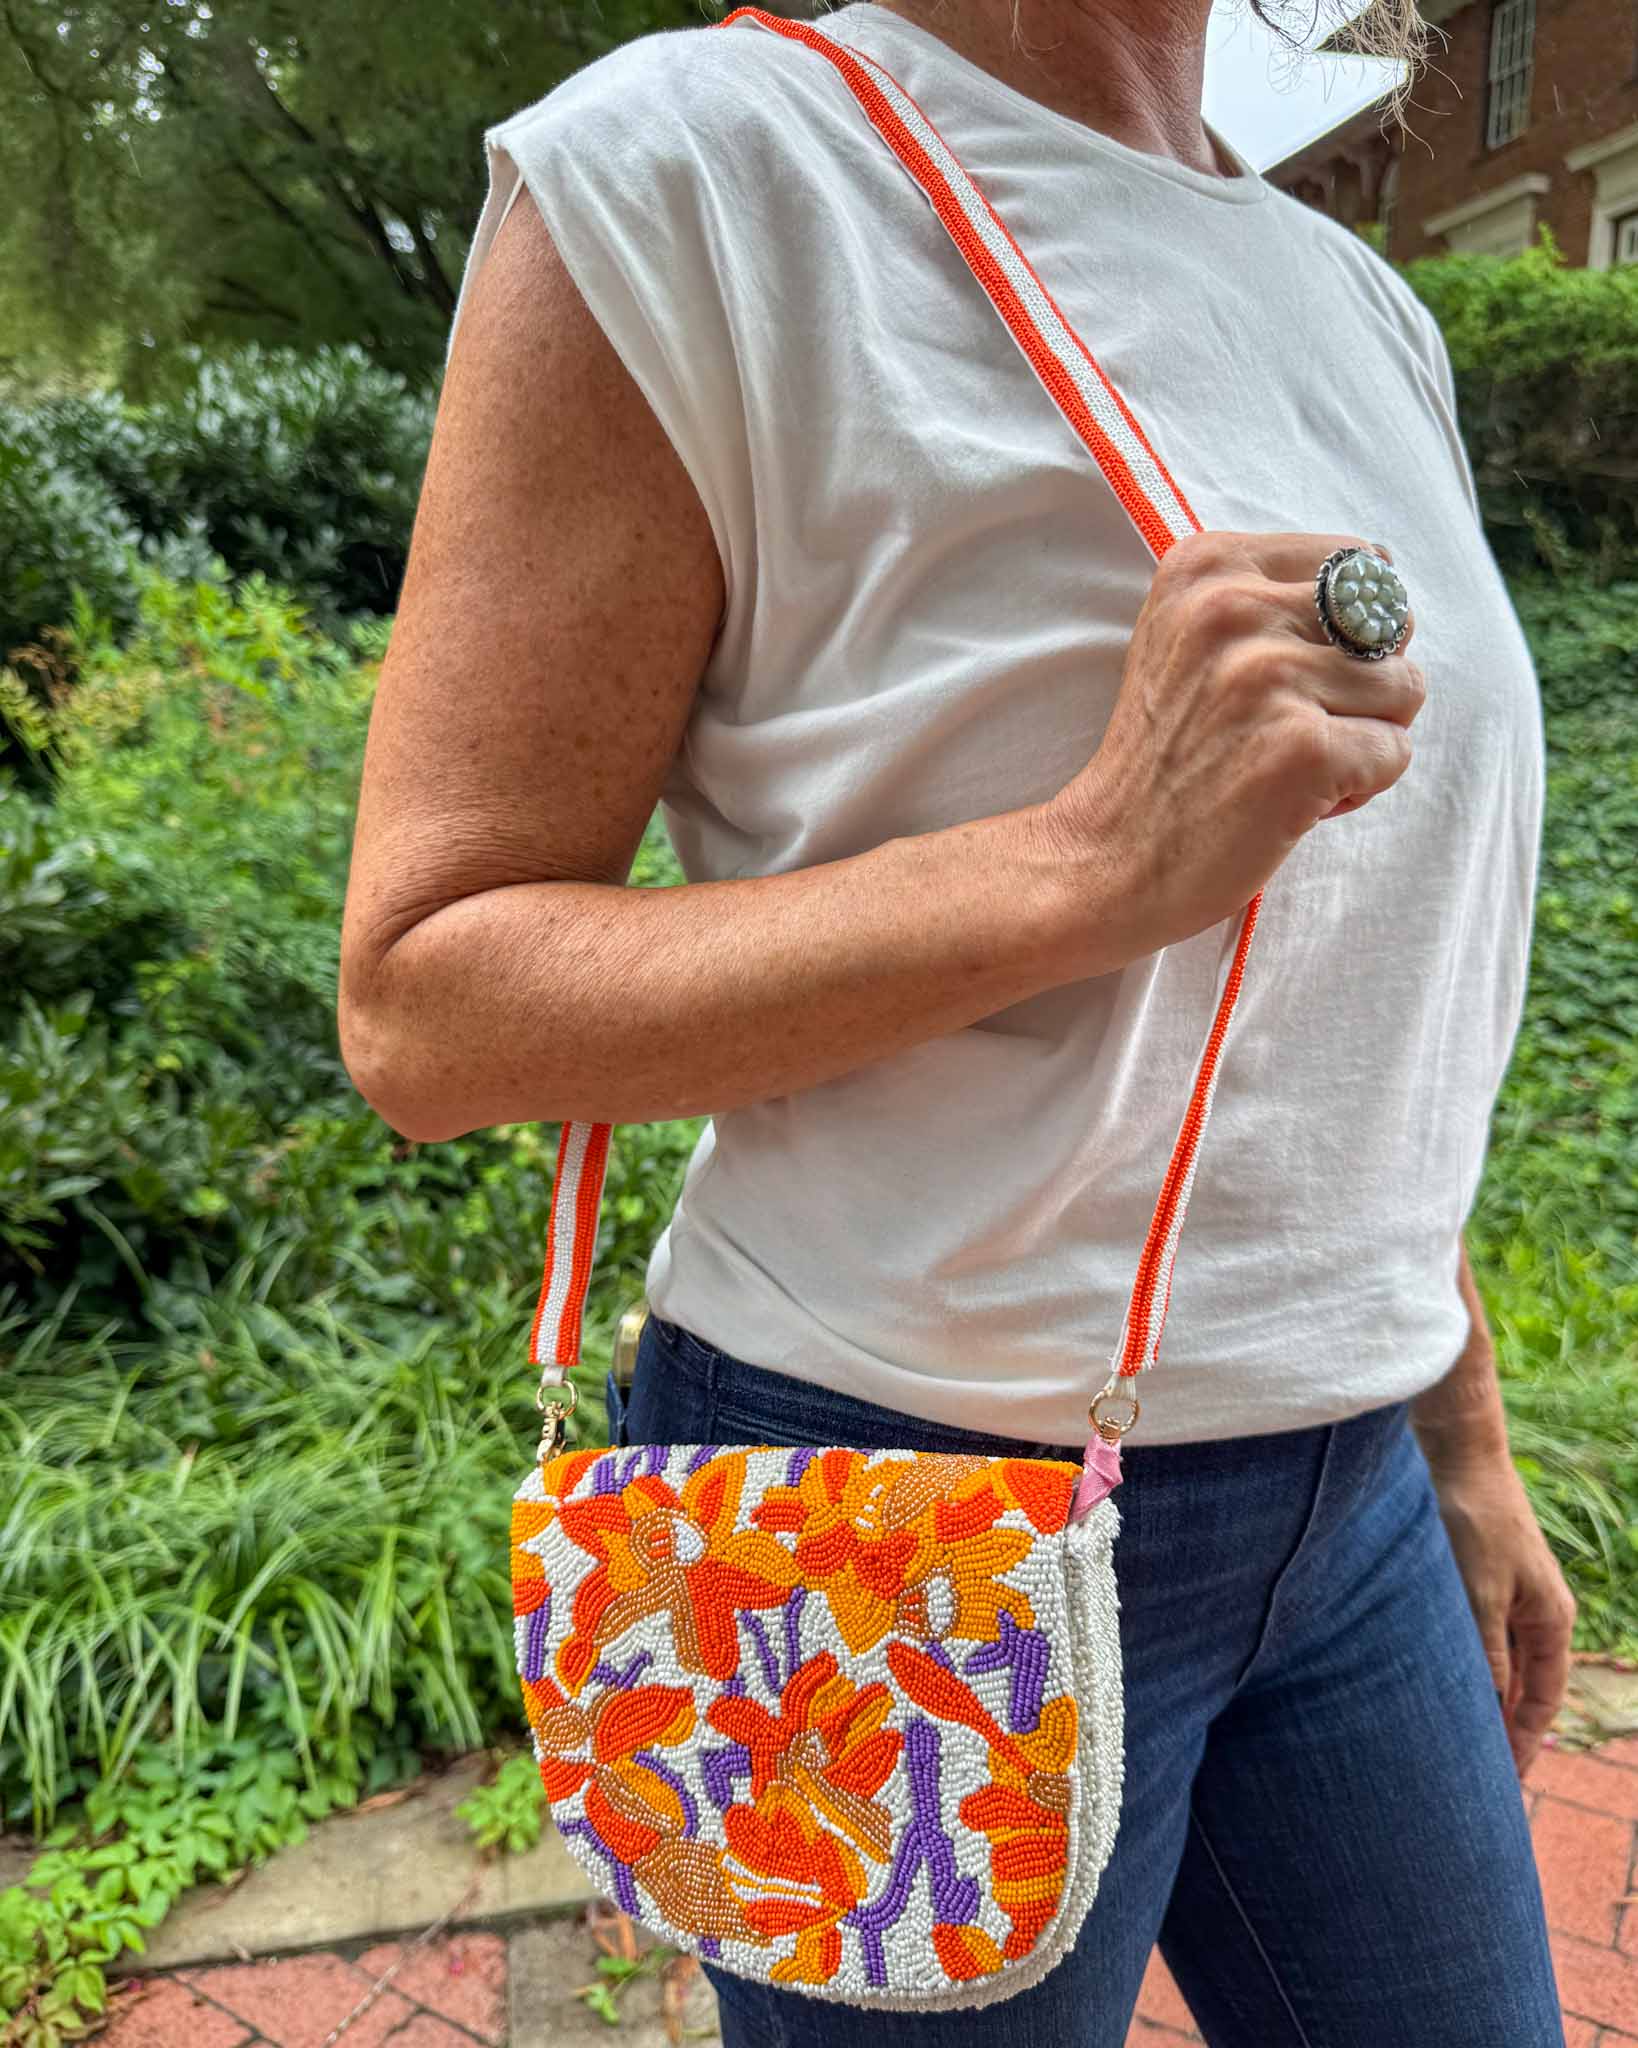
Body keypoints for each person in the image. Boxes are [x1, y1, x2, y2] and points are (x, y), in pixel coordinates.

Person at [336, 0, 1575, 2039]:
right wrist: (1089, 859)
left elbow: (1339, 973)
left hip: (1352, 1493)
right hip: (896, 1507)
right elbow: (426, 1000)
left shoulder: (1356, 299)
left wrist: (1460, 1423)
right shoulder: (690, 171)